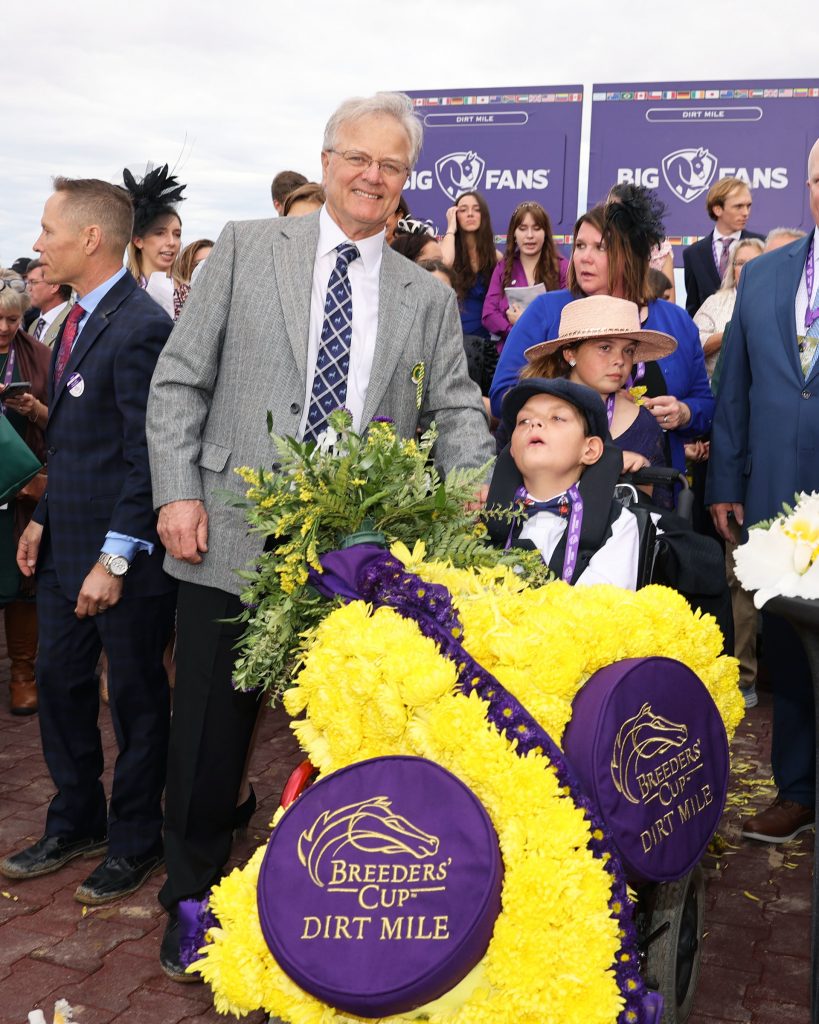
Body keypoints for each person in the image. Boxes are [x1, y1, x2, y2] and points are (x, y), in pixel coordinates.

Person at [145, 90, 494, 980]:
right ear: (327, 159)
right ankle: (191, 896)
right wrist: (175, 492)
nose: (372, 177)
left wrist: (469, 494)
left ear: (407, 181)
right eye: (357, 158)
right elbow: (180, 381)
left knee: (343, 736)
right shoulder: (247, 248)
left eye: (391, 165)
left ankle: (330, 909)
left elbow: (454, 405)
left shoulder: (423, 291)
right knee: (207, 739)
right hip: (224, 532)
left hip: (357, 559)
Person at [0, 177, 176, 904]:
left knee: (134, 701)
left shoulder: (140, 326)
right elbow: (78, 441)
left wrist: (113, 557)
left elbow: (148, 456)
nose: (38, 244)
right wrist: (42, 517)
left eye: (47, 230)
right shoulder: (66, 321)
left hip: (121, 563)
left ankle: (136, 839)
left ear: (91, 238)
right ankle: (77, 819)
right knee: (65, 693)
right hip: (65, 545)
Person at [706, 138, 819, 843]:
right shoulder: (767, 274)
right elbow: (735, 387)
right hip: (774, 495)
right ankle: (797, 789)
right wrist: (725, 478)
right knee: (785, 646)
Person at [491, 201, 714, 478]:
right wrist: (580, 399)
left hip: (654, 487)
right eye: (580, 246)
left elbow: (705, 406)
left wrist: (683, 413)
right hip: (555, 487)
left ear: (629, 256)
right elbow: (503, 397)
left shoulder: (676, 323)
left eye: (600, 248)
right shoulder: (547, 311)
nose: (584, 257)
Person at [491, 377, 642, 589]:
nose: (534, 423)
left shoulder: (618, 526)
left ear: (589, 450)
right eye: (523, 421)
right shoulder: (482, 519)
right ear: (513, 450)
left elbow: (600, 611)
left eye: (557, 418)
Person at [521, 295, 675, 476]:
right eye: (605, 348)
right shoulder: (530, 409)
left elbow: (659, 500)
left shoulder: (644, 424)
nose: (620, 360)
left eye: (628, 350)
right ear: (570, 354)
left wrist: (644, 475)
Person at [0, 279, 50, 714]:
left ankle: (21, 672)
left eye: (13, 320)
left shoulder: (38, 355)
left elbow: (65, 422)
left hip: (22, 488)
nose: (3, 327)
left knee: (21, 580)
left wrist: (33, 409)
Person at [482, 201, 569, 346]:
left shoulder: (562, 267)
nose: (530, 235)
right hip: (512, 352)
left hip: (550, 357)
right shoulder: (503, 267)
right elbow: (489, 314)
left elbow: (568, 314)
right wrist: (515, 331)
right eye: (523, 229)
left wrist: (526, 323)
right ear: (514, 233)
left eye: (536, 228)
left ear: (545, 233)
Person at [682, 177, 764, 317]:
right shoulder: (693, 254)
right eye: (738, 206)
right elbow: (693, 308)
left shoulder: (763, 245)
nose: (746, 212)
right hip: (709, 335)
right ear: (718, 209)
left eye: (748, 206)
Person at [123, 164, 188, 319]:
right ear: (138, 241)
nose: (172, 242)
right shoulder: (123, 292)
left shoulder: (190, 294)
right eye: (160, 233)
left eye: (177, 234)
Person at [694, 238, 764, 380]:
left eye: (754, 262)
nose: (747, 268)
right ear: (733, 269)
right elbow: (693, 345)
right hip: (717, 389)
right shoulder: (715, 302)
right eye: (741, 263)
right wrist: (731, 332)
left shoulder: (777, 301)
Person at [440, 190, 502, 341]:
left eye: (476, 209)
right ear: (455, 215)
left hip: (484, 342)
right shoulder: (447, 249)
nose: (470, 214)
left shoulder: (495, 257)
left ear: (483, 216)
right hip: (451, 337)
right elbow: (444, 263)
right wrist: (451, 228)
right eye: (463, 210)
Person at [24, 260, 72, 348]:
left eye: (33, 282)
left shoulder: (73, 323)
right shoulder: (34, 325)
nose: (28, 288)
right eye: (28, 283)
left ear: (54, 286)